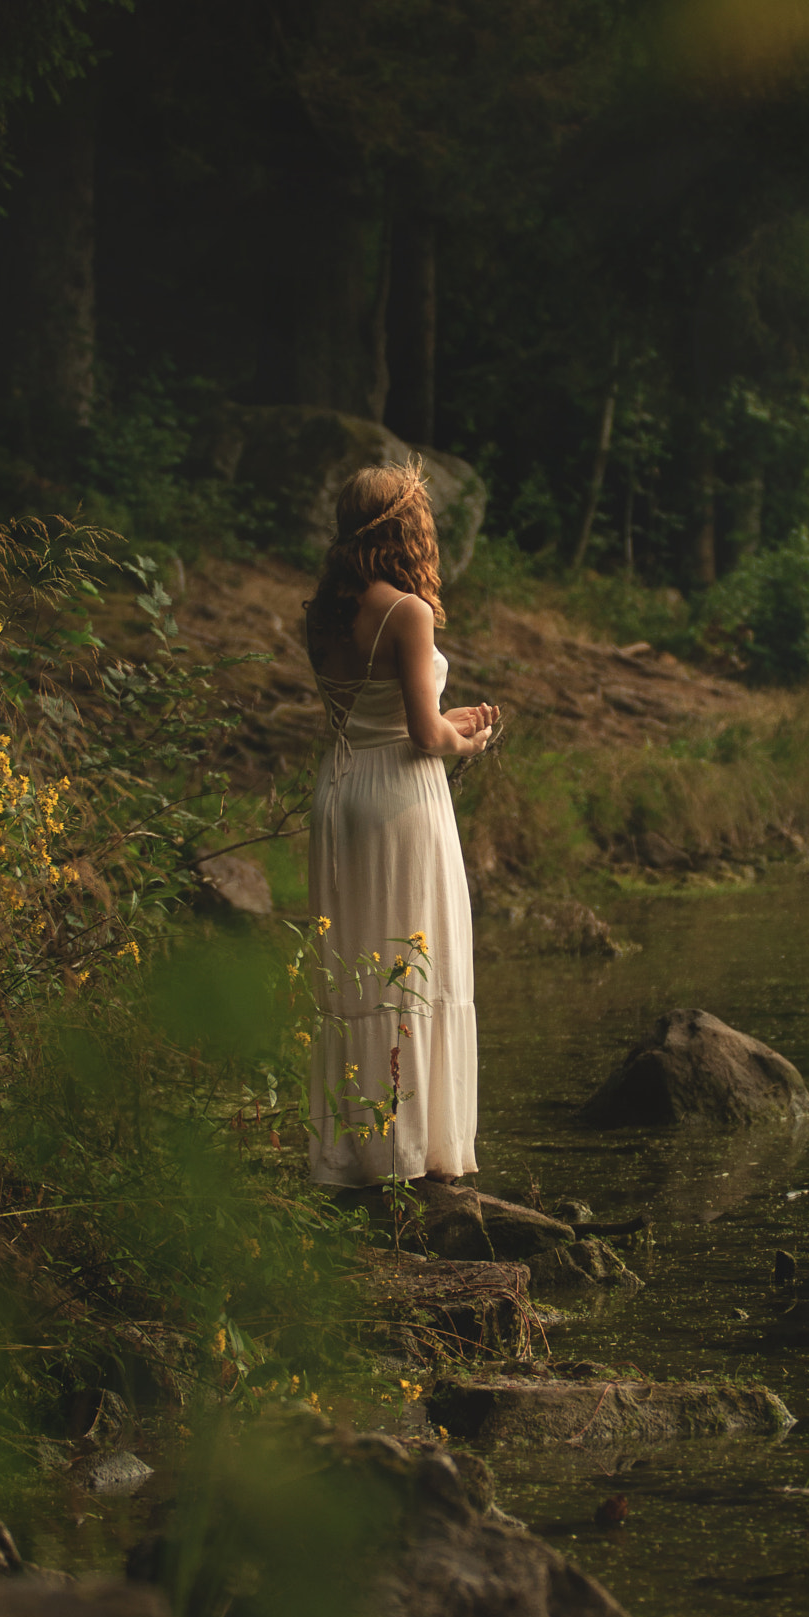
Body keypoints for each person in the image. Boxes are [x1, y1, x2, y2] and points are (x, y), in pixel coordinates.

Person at [303, 455, 495, 1187]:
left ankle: (352, 1155)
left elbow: (373, 713)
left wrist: (446, 722)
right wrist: (468, 737)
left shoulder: (322, 614)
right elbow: (422, 736)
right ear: (406, 525)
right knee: (413, 964)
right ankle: (413, 1155)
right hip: (400, 800)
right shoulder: (406, 611)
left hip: (341, 789)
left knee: (354, 970)